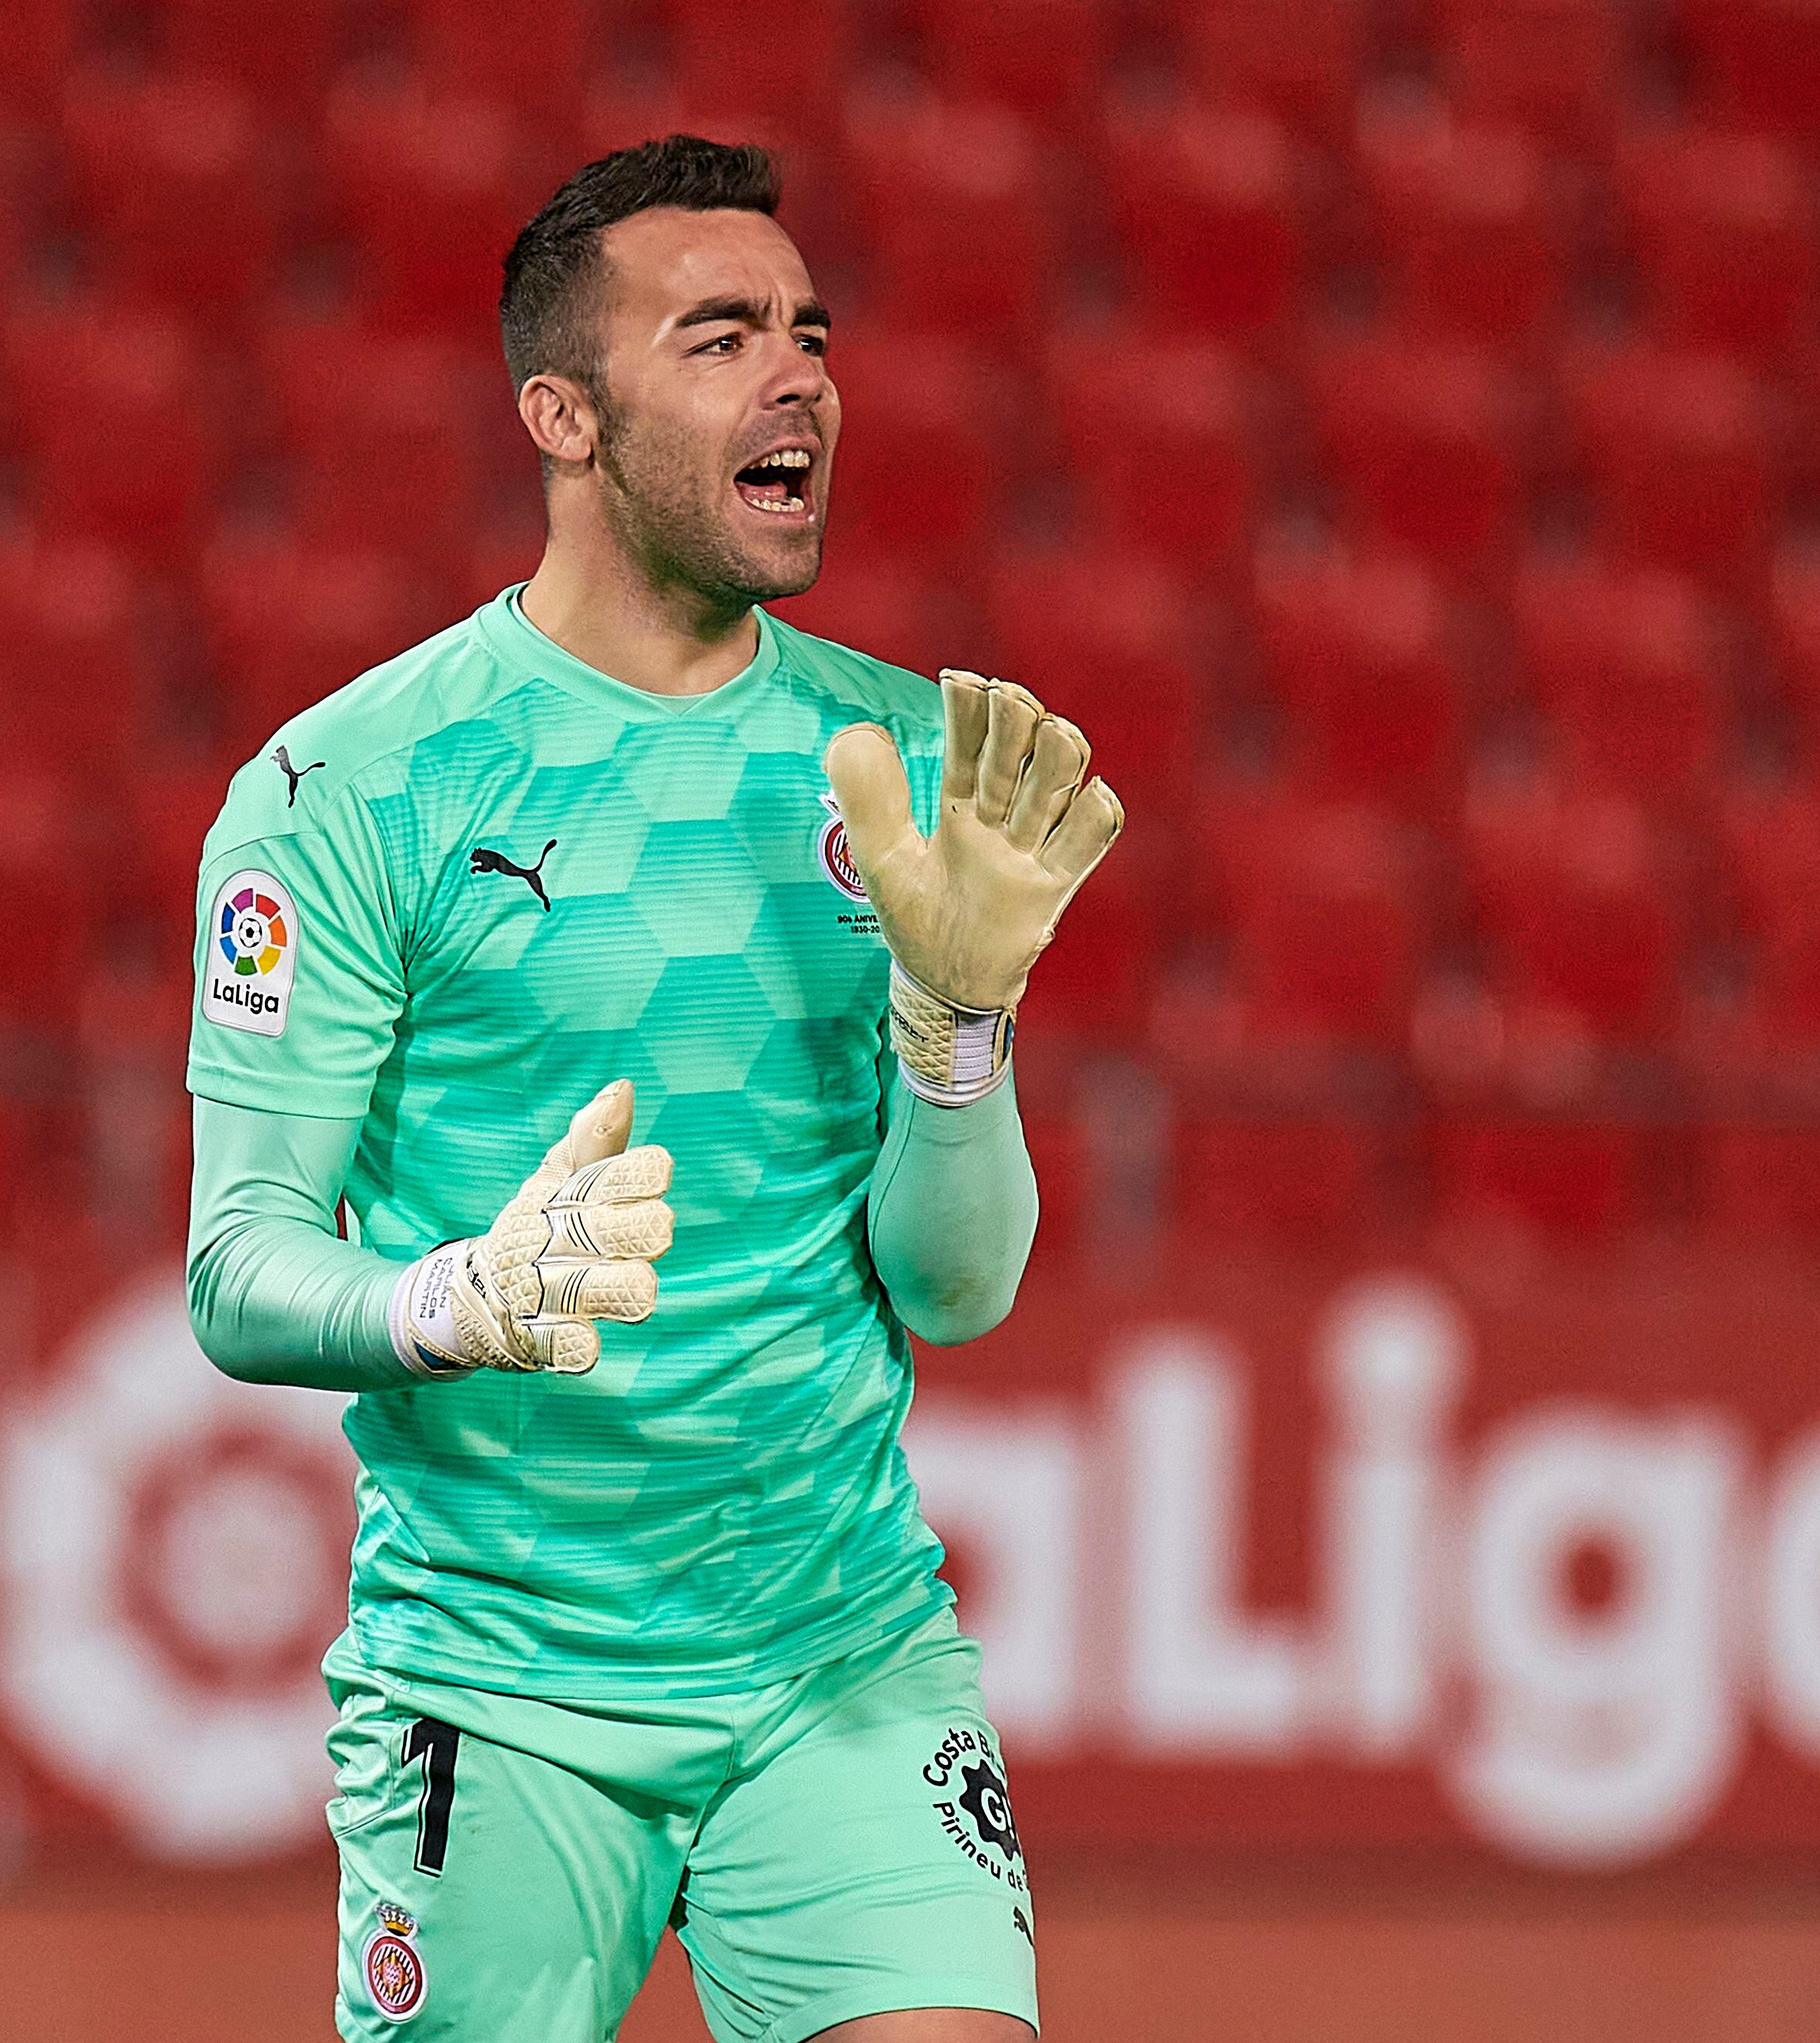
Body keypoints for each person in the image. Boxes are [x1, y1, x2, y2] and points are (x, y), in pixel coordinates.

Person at [182, 134, 1122, 2043]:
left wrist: (961, 1026)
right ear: (564, 415)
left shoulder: (899, 764)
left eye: (810, 332)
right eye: (718, 338)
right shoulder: (350, 792)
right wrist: (458, 1297)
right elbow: (239, 1268)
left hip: (838, 1654)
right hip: (499, 1680)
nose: (800, 377)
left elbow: (958, 1288)